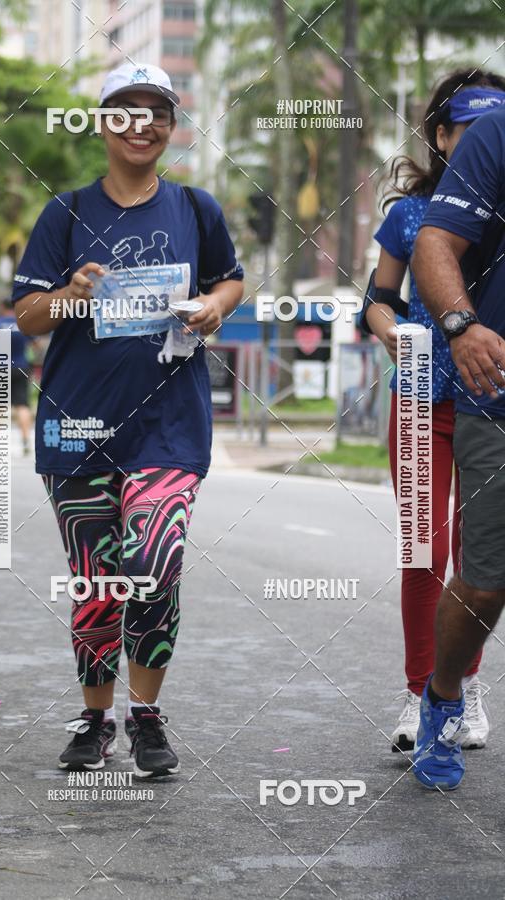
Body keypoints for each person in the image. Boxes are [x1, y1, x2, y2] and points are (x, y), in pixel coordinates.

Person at [12, 63, 244, 777]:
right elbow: (26, 317)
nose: (141, 123)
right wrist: (71, 293)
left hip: (169, 427)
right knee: (98, 584)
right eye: (125, 110)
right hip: (77, 430)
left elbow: (230, 278)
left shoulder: (197, 209)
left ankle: (145, 715)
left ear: (171, 127)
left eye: (157, 112)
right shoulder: (68, 212)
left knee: (154, 565)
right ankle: (94, 719)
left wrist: (216, 307)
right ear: (103, 123)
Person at [362, 70, 505, 753]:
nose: (481, 143)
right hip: (421, 403)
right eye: (467, 131)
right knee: (424, 553)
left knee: (480, 566)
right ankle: (420, 694)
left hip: (490, 403)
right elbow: (377, 299)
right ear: (441, 137)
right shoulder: (408, 216)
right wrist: (387, 327)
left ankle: (464, 689)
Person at [411, 90, 505, 790]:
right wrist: (460, 325)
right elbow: (434, 242)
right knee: (486, 579)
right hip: (496, 388)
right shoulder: (496, 134)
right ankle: (443, 696)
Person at [0, 299, 34, 455]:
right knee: (22, 405)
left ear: (2, 307)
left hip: (0, 367)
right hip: (21, 367)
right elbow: (34, 344)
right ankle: (26, 440)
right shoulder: (22, 323)